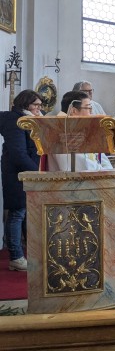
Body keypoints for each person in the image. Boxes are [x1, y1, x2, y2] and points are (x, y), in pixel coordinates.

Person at [0, 90, 43, 271]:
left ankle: (28, 253)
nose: (39, 109)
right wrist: (38, 171)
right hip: (17, 173)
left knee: (25, 214)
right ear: (25, 105)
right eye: (36, 105)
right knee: (17, 214)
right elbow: (19, 153)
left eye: (40, 106)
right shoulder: (16, 121)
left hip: (28, 172)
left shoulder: (30, 119)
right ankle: (16, 257)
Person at [47, 91, 113, 172]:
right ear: (73, 111)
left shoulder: (82, 128)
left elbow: (101, 158)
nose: (91, 113)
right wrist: (105, 171)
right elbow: (80, 167)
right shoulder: (60, 132)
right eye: (88, 108)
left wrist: (108, 170)